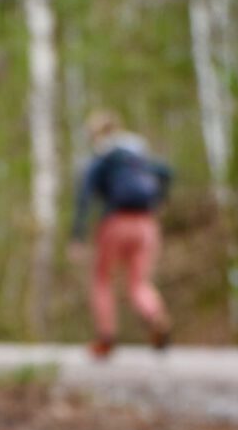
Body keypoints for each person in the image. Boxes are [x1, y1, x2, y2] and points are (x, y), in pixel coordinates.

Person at [69, 111, 173, 358]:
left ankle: (106, 337)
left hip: (116, 222)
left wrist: (78, 234)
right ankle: (156, 317)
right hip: (147, 224)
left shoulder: (102, 157)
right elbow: (167, 172)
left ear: (96, 134)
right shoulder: (138, 155)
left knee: (102, 279)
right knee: (138, 283)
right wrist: (160, 201)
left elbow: (84, 195)